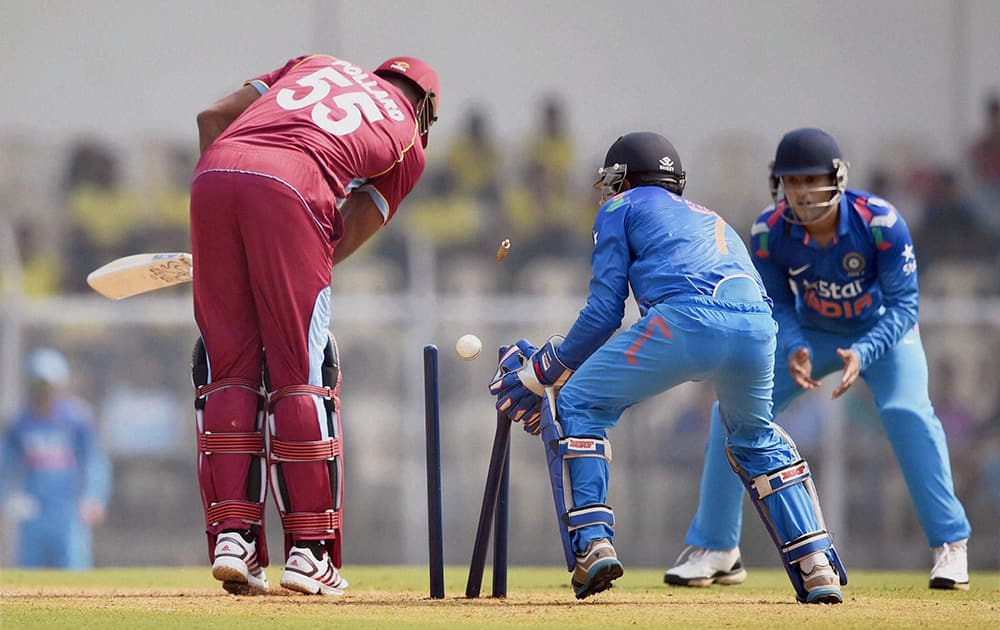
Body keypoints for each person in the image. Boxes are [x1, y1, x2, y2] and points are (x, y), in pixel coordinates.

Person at [490, 132, 846, 603]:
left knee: (579, 401)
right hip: (758, 329)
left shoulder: (620, 208)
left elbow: (604, 313)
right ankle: (816, 563)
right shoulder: (709, 215)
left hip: (687, 322)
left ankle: (593, 544)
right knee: (754, 437)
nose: (609, 192)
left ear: (624, 178)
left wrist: (543, 372)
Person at [666, 128, 972, 591]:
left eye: (813, 180)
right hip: (812, 332)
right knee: (729, 412)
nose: (804, 193)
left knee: (907, 412)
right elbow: (778, 303)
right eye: (794, 182)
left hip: (883, 332)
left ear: (838, 178)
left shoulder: (881, 223)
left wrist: (865, 351)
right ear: (780, 185)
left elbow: (906, 305)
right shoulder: (769, 232)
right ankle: (717, 547)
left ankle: (950, 545)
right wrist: (794, 346)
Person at [189, 54, 439, 596]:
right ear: (426, 108)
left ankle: (234, 541)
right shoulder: (408, 141)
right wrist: (281, 252)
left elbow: (212, 118)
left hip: (215, 173)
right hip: (294, 185)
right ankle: (310, 553)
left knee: (228, 369)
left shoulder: (314, 63)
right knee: (302, 373)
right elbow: (345, 234)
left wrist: (232, 228)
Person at [0, 348, 111, 568]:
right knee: (28, 576)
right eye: (38, 384)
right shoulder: (20, 424)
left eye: (48, 385)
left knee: (74, 573)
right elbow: (5, 465)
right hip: (32, 511)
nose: (43, 391)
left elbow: (94, 462)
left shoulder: (77, 420)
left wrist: (94, 497)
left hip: (69, 511)